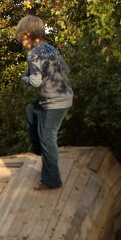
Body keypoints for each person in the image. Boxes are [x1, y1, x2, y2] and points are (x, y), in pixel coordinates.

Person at [16, 15, 73, 190]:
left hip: (55, 103)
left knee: (48, 137)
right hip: (64, 97)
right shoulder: (50, 48)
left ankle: (51, 180)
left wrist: (23, 78)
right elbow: (66, 70)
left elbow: (35, 81)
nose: (22, 44)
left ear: (27, 35)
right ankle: (37, 149)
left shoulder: (33, 54)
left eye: (21, 40)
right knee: (31, 110)